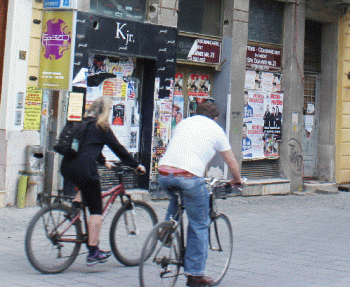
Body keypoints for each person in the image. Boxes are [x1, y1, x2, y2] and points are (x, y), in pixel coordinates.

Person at [158, 99, 242, 287]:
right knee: (199, 223)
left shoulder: (184, 122)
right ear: (215, 117)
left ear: (196, 112)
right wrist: (237, 179)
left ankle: (166, 229)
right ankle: (195, 275)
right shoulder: (215, 129)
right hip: (188, 175)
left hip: (164, 173)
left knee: (177, 193)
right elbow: (231, 161)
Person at [60, 96, 145, 266]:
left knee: (88, 189)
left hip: (67, 167)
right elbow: (119, 148)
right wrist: (136, 165)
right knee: (96, 209)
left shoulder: (83, 123)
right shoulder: (102, 127)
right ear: (107, 111)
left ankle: (75, 209)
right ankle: (93, 252)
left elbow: (88, 147)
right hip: (84, 170)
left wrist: (103, 161)